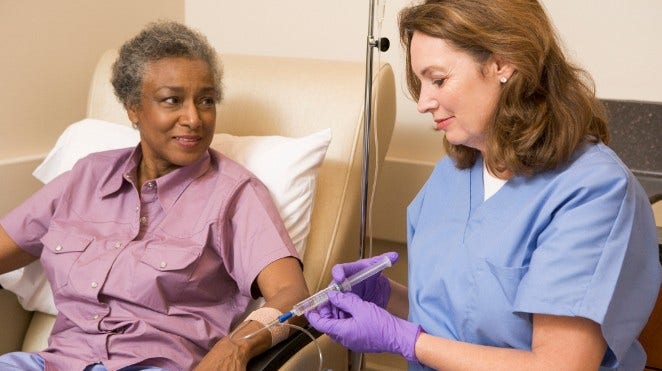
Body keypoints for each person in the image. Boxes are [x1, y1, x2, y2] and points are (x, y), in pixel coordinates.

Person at [306, 1, 661, 370]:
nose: (424, 102)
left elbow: (558, 365)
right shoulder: (450, 178)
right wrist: (385, 298)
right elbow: (460, 320)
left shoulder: (591, 192)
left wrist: (403, 339)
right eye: (421, 82)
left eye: (439, 79)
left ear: (502, 63)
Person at [0, 20, 309, 371]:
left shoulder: (234, 196)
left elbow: (292, 295)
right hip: (51, 363)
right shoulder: (86, 177)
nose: (193, 118)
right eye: (172, 100)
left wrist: (236, 346)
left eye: (206, 100)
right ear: (134, 108)